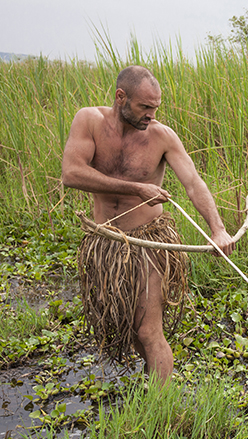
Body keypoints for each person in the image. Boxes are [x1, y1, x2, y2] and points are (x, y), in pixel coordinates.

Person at [61, 65, 234, 383]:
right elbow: (71, 173)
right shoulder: (89, 121)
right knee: (129, 329)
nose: (151, 115)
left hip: (149, 243)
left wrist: (218, 229)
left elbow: (193, 183)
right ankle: (157, 386)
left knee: (148, 330)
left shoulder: (162, 137)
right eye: (144, 107)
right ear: (120, 97)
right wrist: (137, 188)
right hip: (106, 242)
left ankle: (162, 403)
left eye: (155, 107)